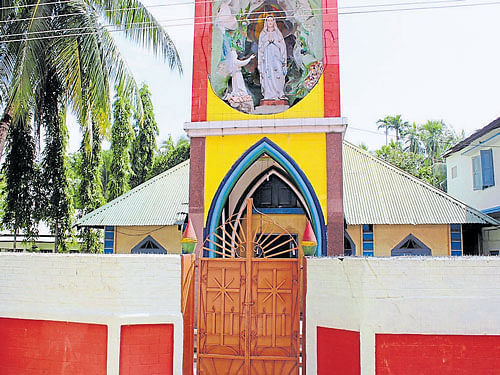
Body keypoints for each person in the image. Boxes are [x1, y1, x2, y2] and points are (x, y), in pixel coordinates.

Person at [258, 16, 287, 100]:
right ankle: (269, 94)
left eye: (271, 20)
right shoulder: (263, 34)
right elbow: (260, 49)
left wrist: (274, 42)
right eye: (268, 21)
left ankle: (279, 92)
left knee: (279, 73)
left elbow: (282, 47)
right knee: (268, 75)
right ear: (266, 22)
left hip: (277, 58)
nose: (270, 22)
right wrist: (267, 42)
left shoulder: (278, 34)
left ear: (274, 22)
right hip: (267, 59)